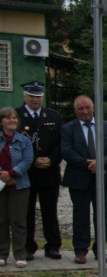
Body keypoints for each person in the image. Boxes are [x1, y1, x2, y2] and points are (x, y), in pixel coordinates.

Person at [61, 95, 107, 265]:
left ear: (93, 108)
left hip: (102, 177)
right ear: (75, 110)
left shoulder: (106, 127)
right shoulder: (68, 128)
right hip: (79, 178)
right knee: (80, 216)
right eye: (81, 108)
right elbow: (66, 151)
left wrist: (102, 162)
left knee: (102, 215)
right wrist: (86, 164)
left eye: (87, 108)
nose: (85, 111)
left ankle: (100, 249)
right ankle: (80, 250)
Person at [17, 80, 63, 260]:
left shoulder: (53, 116)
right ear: (25, 96)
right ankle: (28, 246)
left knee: (49, 210)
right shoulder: (16, 115)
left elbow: (61, 144)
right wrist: (31, 160)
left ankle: (53, 246)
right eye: (31, 96)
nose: (35, 100)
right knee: (26, 211)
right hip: (27, 172)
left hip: (49, 171)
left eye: (38, 96)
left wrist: (52, 160)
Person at [0, 107, 34, 267]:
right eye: (8, 118)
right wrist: (3, 175)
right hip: (0, 184)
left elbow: (28, 160)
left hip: (20, 185)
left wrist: (12, 174)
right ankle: (2, 254)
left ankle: (20, 254)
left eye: (14, 118)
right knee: (1, 220)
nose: (12, 120)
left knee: (18, 221)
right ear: (1, 121)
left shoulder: (24, 140)